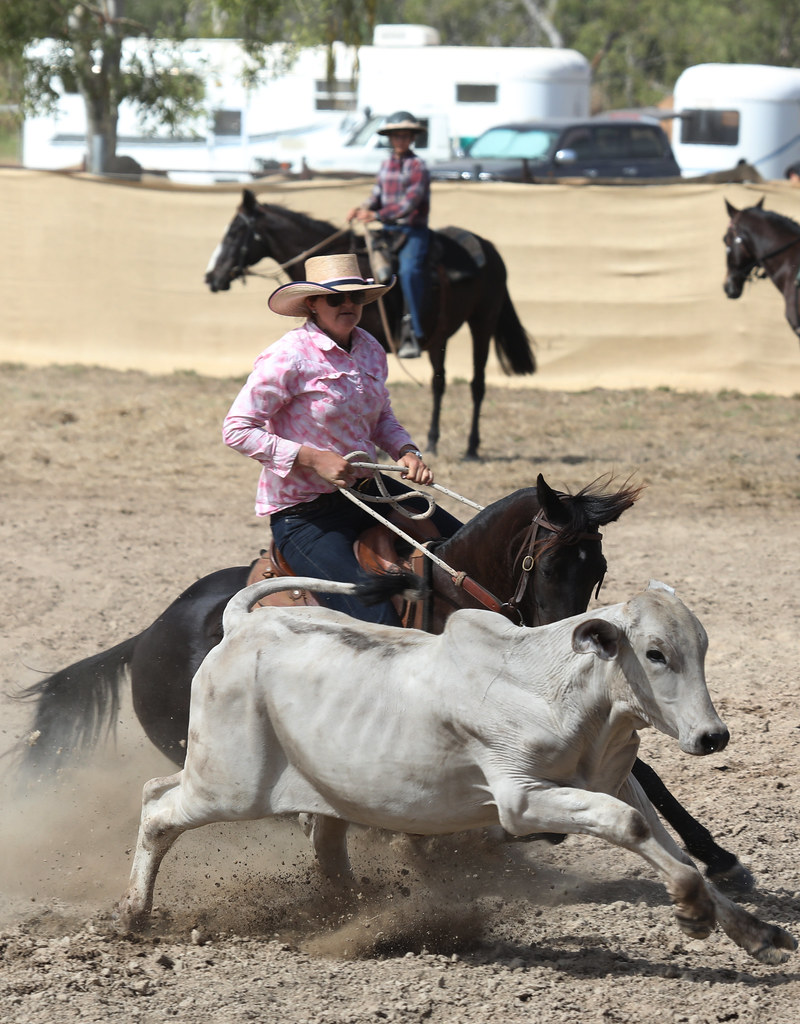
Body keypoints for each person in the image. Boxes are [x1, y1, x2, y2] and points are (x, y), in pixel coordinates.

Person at [222, 253, 462, 626]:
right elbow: (237, 429)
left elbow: (381, 416)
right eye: (336, 298)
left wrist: (407, 450)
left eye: (355, 298)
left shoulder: (369, 349)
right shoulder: (288, 356)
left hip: (371, 490)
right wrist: (312, 458)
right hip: (305, 514)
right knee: (374, 614)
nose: (347, 305)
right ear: (313, 305)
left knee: (468, 552)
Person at [347, 111, 431, 359]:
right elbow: (376, 195)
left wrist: (377, 216)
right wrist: (363, 208)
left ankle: (414, 331)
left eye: (404, 136)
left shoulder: (418, 166)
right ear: (391, 138)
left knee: (409, 272)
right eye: (396, 136)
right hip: (387, 232)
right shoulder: (386, 164)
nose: (400, 140)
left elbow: (410, 204)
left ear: (412, 138)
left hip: (412, 231)